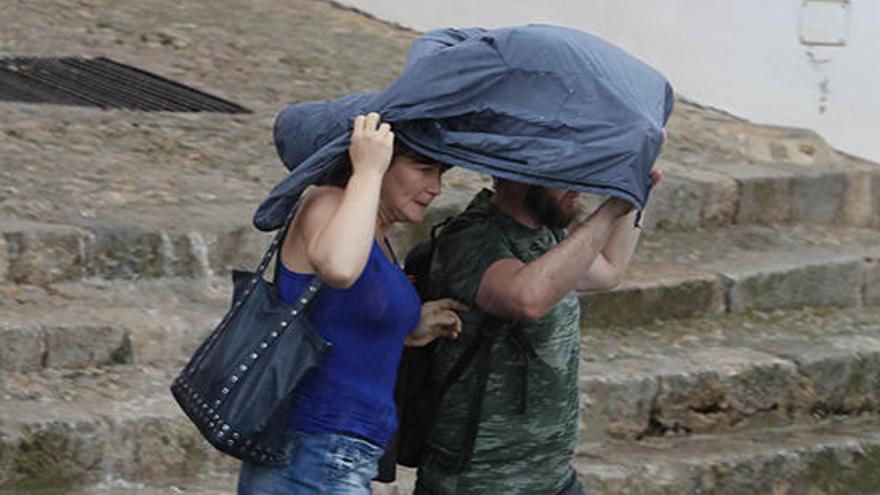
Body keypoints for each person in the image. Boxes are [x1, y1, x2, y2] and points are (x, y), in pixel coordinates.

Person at [238, 112, 467, 494]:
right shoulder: (326, 202)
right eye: (424, 168)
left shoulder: (377, 235)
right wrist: (367, 172)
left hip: (341, 452)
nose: (436, 187)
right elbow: (340, 269)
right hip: (313, 448)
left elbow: (346, 316)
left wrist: (412, 325)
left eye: (441, 173)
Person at [414, 169, 662, 494]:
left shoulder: (548, 234)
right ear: (518, 168)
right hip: (480, 482)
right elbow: (526, 298)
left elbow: (609, 272)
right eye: (566, 169)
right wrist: (609, 211)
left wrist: (636, 187)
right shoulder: (471, 237)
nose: (579, 183)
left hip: (553, 477)